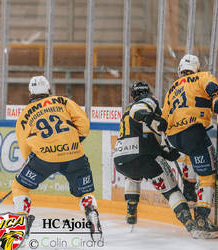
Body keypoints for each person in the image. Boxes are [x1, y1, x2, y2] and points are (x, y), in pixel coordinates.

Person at [13, 76, 102, 241]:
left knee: (20, 186)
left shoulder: (24, 114)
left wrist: (33, 159)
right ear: (48, 89)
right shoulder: (62, 101)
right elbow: (84, 124)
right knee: (84, 192)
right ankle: (91, 213)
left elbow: (25, 147)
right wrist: (75, 140)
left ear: (30, 91)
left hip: (44, 158)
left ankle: (21, 224)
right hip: (74, 154)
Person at [113, 81, 202, 238]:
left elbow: (146, 134)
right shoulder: (148, 101)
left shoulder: (126, 111)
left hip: (121, 160)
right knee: (172, 190)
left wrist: (164, 151)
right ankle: (189, 223)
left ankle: (131, 209)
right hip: (145, 158)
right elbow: (139, 111)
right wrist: (151, 119)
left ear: (132, 95)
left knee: (133, 175)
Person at [161, 54, 218, 238]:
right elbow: (214, 91)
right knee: (207, 175)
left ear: (180, 70)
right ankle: (201, 220)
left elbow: (163, 121)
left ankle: (189, 191)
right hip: (193, 131)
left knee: (191, 154)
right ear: (196, 68)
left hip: (174, 137)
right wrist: (217, 98)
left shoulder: (172, 88)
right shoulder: (202, 76)